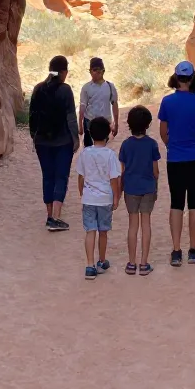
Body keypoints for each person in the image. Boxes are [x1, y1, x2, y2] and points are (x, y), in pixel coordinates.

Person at [157, 61, 195, 266]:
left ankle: (176, 250)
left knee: (176, 203)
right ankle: (194, 249)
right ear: (193, 77)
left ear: (176, 77)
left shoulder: (167, 102)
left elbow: (163, 132)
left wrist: (173, 145)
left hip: (176, 158)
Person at [29, 55, 79, 232]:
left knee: (48, 176)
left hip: (42, 141)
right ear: (64, 72)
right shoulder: (65, 90)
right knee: (61, 176)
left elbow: (32, 117)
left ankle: (49, 215)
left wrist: (34, 137)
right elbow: (71, 117)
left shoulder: (38, 89)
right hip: (62, 140)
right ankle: (56, 217)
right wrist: (75, 139)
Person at [76, 116, 122, 280]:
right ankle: (102, 261)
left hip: (89, 198)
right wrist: (116, 197)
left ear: (90, 132)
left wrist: (82, 192)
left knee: (90, 231)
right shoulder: (110, 155)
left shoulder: (85, 153)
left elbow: (80, 176)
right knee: (103, 231)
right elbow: (114, 179)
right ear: (108, 134)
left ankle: (89, 265)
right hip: (105, 199)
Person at [118, 106, 161, 276]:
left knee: (132, 225)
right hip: (148, 187)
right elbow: (155, 170)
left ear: (129, 124)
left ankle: (131, 262)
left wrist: (120, 191)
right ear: (148, 124)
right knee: (146, 224)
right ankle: (144, 263)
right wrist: (155, 183)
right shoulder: (151, 144)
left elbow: (122, 171)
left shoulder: (126, 145)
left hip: (131, 188)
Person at [79, 56, 119, 148]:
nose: (97, 72)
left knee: (103, 148)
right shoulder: (86, 88)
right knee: (89, 149)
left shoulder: (110, 86)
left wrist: (115, 124)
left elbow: (114, 104)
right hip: (90, 122)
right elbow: (82, 106)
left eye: (100, 70)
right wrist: (80, 125)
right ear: (90, 71)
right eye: (94, 70)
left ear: (103, 71)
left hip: (105, 123)